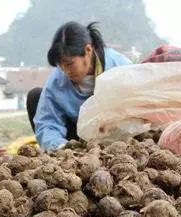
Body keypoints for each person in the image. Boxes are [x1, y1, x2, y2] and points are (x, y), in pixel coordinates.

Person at [27, 21, 132, 152]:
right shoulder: (57, 81)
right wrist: (61, 148)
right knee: (35, 96)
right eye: (61, 65)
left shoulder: (120, 66)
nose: (66, 71)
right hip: (75, 141)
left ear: (88, 50)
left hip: (114, 134)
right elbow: (47, 123)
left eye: (70, 64)